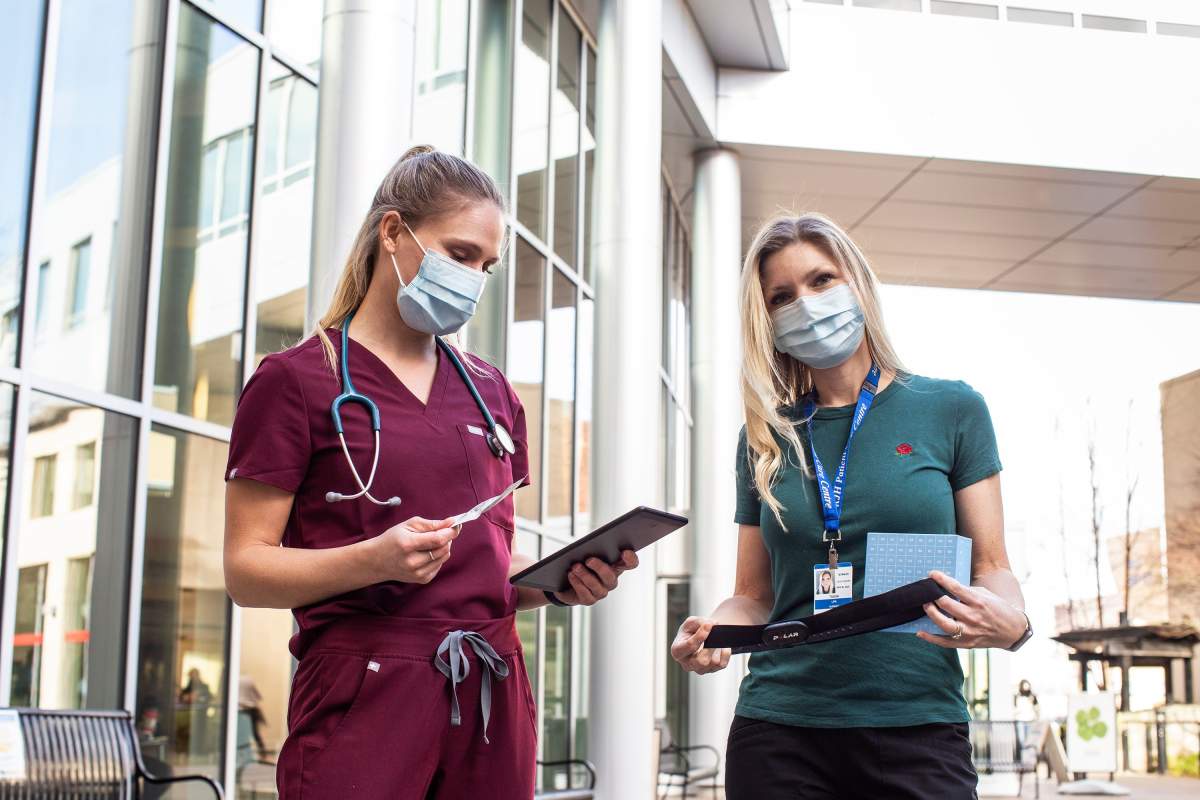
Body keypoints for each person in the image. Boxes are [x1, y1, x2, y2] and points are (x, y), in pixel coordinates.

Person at [223, 146, 639, 799]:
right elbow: (246, 570)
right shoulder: (296, 382)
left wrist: (561, 582)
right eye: (460, 253)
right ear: (392, 232)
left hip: (490, 695)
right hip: (364, 695)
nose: (474, 276)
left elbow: (485, 562)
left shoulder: (491, 392)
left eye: (487, 264)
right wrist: (374, 560)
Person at [670, 213, 1032, 799]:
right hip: (779, 727)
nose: (805, 305)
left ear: (857, 284)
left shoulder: (952, 409)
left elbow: (992, 568)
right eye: (782, 296)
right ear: (766, 319)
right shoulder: (764, 436)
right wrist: (714, 633)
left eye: (821, 281)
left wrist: (1013, 624)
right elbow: (754, 596)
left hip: (916, 724)